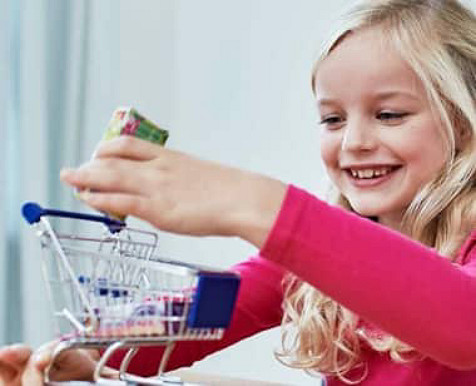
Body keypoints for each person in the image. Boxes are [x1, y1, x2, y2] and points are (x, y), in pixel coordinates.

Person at [1, 0, 476, 384]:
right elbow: (206, 313)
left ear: (463, 120)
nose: (353, 142)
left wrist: (253, 203)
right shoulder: (314, 265)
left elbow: (465, 325)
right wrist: (89, 358)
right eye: (332, 119)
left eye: (389, 114)